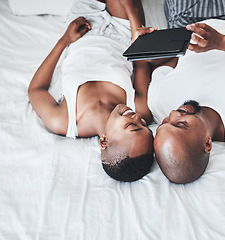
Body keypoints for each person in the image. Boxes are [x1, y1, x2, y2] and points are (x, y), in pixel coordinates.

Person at [134, 0, 225, 184]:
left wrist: (148, 47)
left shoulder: (159, 104)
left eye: (165, 123)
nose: (173, 113)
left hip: (184, 21)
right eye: (180, 125)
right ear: (207, 144)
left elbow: (168, 61)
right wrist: (221, 42)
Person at [28, 0, 156, 182]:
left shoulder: (63, 120)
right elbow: (142, 65)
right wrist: (137, 30)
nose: (137, 117)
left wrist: (64, 41)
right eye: (144, 125)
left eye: (132, 126)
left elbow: (35, 89)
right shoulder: (140, 108)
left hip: (81, 33)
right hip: (124, 34)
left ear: (104, 141)